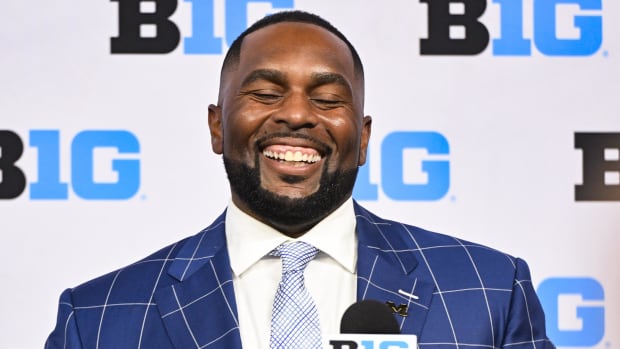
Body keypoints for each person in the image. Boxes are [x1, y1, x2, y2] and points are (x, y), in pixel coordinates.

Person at [45, 10, 554, 349]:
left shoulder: (488, 291)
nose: (295, 115)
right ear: (217, 126)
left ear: (363, 137)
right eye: (265, 94)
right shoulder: (96, 319)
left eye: (329, 100)